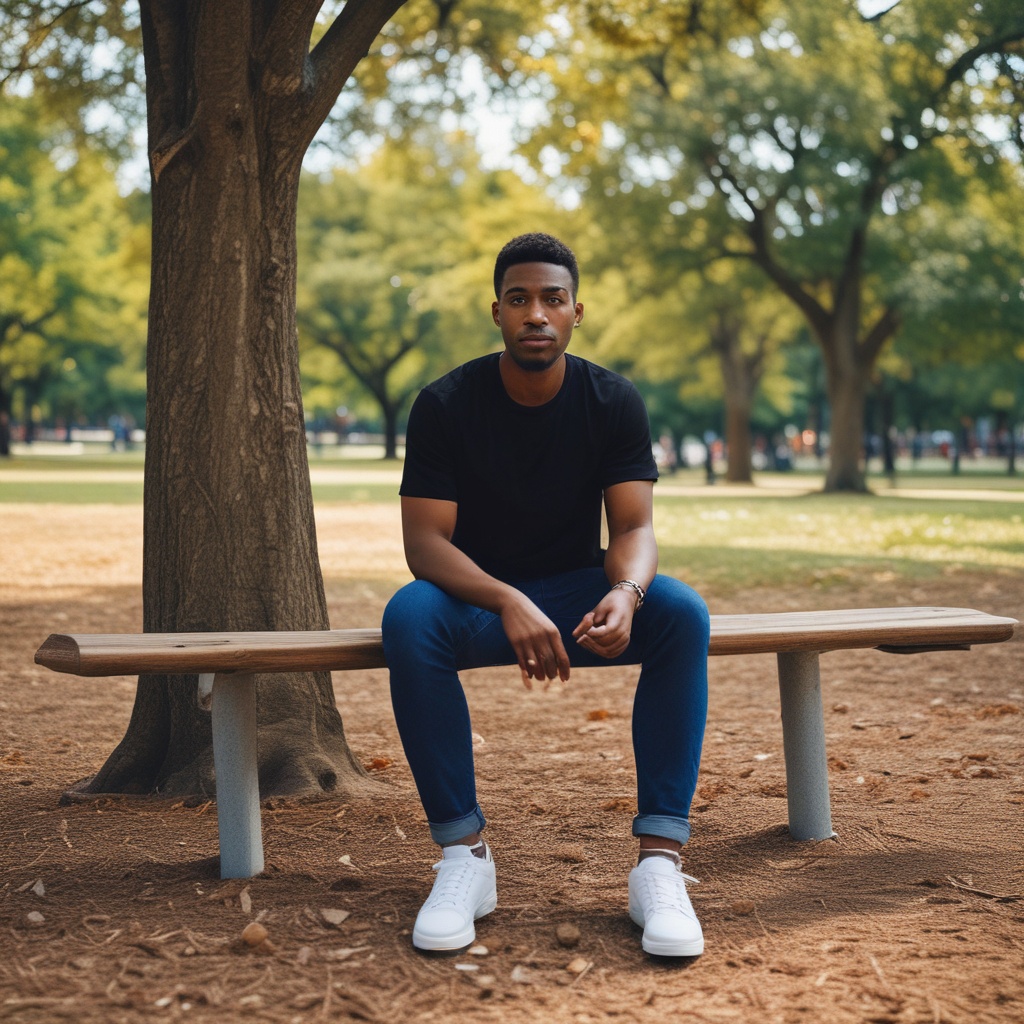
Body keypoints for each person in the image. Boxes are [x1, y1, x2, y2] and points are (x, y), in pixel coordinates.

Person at [382, 233, 710, 958]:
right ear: (496, 311)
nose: (537, 313)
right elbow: (426, 546)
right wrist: (504, 599)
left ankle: (659, 866)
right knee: (407, 617)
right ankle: (463, 859)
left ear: (575, 312)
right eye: (520, 299)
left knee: (681, 613)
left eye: (552, 299)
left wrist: (626, 592)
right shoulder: (443, 404)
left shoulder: (612, 399)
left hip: (575, 592)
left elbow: (634, 525)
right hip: (474, 597)